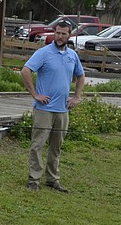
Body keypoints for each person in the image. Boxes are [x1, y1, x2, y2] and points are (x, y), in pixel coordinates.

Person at [20, 19, 85, 193]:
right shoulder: (44, 53)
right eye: (57, 33)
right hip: (44, 109)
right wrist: (35, 94)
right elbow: (25, 70)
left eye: (63, 33)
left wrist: (76, 97)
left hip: (63, 110)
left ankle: (52, 179)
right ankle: (34, 179)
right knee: (37, 145)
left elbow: (81, 75)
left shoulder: (72, 55)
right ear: (53, 33)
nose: (60, 36)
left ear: (69, 35)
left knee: (56, 147)